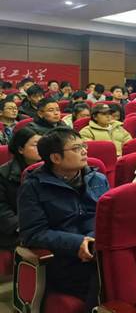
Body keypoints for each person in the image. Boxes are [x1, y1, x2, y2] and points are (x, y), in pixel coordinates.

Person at [18, 127, 109, 310]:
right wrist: (77, 243)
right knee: (104, 281)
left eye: (84, 146)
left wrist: (92, 240)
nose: (84, 151)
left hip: (100, 249)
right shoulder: (33, 187)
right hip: (65, 258)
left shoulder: (98, 178)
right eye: (76, 148)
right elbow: (33, 233)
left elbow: (109, 219)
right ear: (55, 158)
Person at [0, 128, 41, 250]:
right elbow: (2, 210)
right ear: (20, 149)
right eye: (36, 145)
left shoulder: (52, 169)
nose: (41, 148)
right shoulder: (3, 174)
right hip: (14, 231)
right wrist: (24, 227)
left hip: (44, 226)